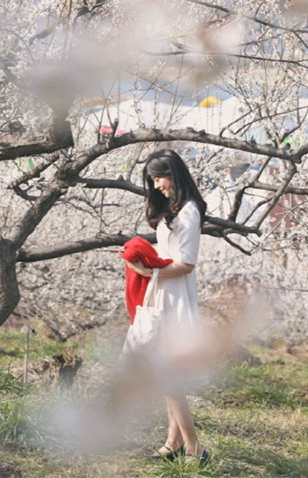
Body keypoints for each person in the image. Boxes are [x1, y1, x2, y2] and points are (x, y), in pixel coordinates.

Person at [122, 148, 210, 465]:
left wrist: (150, 271)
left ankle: (194, 447)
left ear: (173, 175)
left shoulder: (188, 212)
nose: (157, 185)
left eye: (159, 178)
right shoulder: (176, 209)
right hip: (163, 293)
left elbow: (186, 263)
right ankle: (173, 442)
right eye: (153, 179)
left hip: (174, 295)